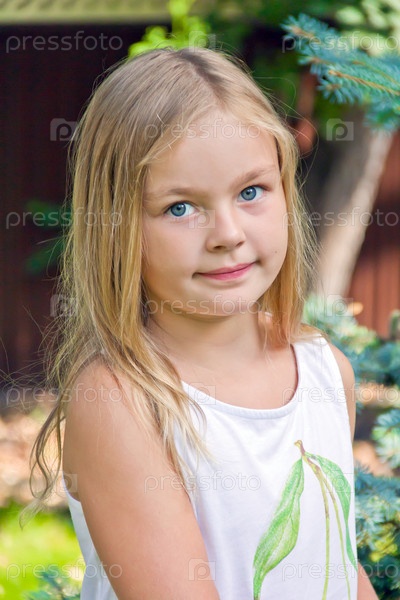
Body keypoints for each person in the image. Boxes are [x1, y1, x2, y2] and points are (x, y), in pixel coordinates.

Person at [30, 47, 378, 599]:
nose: (227, 234)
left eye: (250, 192)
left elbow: (339, 567)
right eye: (180, 208)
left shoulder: (325, 370)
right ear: (117, 227)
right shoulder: (124, 401)